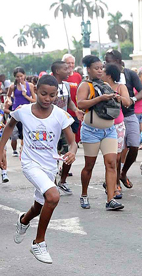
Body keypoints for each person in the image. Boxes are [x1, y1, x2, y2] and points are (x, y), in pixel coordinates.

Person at [0, 75, 76, 264]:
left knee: (39, 207)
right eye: (44, 94)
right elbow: (9, 126)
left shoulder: (60, 115)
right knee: (53, 197)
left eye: (52, 95)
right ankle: (39, 242)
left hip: (49, 166)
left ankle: (23, 221)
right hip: (30, 164)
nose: (48, 98)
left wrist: (71, 152)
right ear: (36, 91)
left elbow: (72, 143)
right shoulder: (23, 111)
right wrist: (0, 151)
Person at [76, 55, 124, 211]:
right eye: (96, 68)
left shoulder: (105, 85)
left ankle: (110, 199)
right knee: (89, 166)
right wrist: (100, 98)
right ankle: (84, 194)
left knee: (111, 164)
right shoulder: (85, 85)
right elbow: (81, 104)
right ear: (88, 69)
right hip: (91, 131)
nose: (99, 70)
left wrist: (115, 99)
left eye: (101, 68)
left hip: (109, 130)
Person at [104, 50, 142, 190]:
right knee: (116, 153)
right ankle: (114, 182)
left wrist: (132, 99)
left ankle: (123, 173)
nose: (106, 64)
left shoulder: (129, 74)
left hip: (129, 114)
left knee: (134, 146)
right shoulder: (105, 78)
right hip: (113, 118)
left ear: (117, 61)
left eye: (108, 61)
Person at [51, 61, 84, 196]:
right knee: (51, 155)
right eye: (65, 68)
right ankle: (51, 183)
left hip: (64, 124)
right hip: (50, 125)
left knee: (70, 151)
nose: (69, 70)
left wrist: (75, 110)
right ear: (57, 71)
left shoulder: (66, 85)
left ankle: (63, 181)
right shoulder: (48, 84)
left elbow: (69, 100)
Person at [102, 64, 132, 198]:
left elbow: (128, 102)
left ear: (109, 74)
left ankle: (114, 183)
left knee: (118, 157)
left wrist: (119, 97)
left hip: (118, 124)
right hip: (104, 125)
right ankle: (112, 186)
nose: (100, 73)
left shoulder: (120, 87)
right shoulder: (100, 86)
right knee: (110, 158)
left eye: (103, 71)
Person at [7, 67, 35, 157]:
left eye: (21, 76)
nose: (19, 78)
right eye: (17, 77)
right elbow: (8, 96)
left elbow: (34, 100)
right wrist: (9, 101)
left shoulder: (30, 85)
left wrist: (26, 96)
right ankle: (14, 149)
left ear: (24, 75)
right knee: (14, 133)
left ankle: (23, 149)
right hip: (16, 111)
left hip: (26, 111)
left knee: (25, 132)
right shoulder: (13, 86)